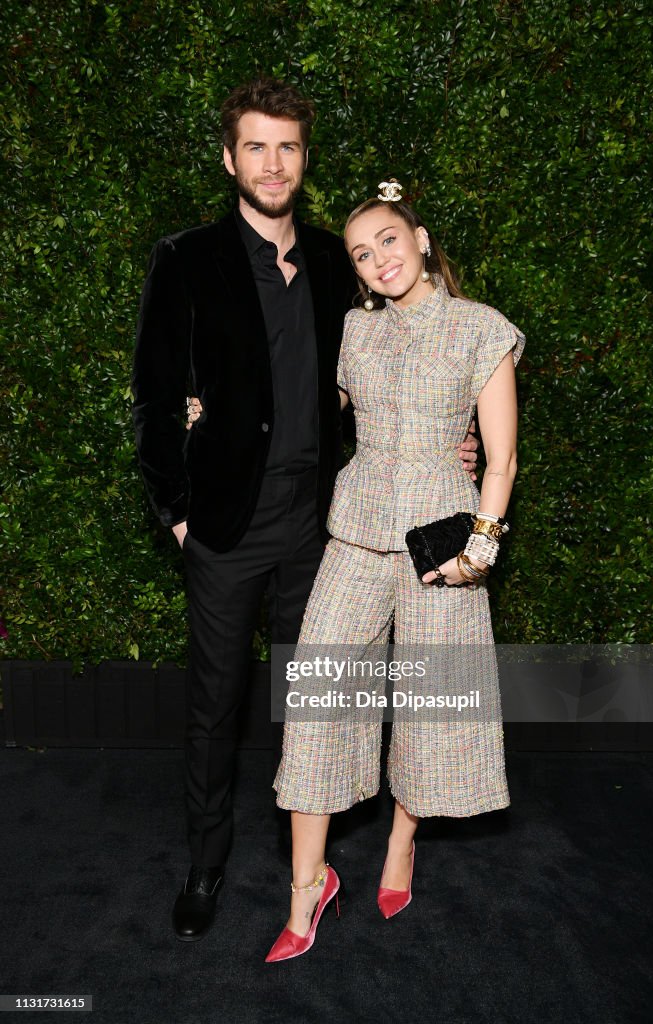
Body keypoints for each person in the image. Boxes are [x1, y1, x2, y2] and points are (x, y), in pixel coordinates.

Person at [132, 80, 479, 942]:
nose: (273, 163)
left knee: (320, 695)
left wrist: (452, 443)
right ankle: (207, 864)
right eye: (255, 147)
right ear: (229, 159)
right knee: (217, 703)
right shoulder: (185, 259)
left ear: (303, 159)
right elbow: (150, 397)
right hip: (224, 523)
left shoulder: (337, 260)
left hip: (327, 523)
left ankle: (319, 861)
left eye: (287, 147)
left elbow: (406, 352)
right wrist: (176, 512)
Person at [263, 181, 525, 962]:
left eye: (387, 240)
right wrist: (213, 410)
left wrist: (480, 549)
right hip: (353, 531)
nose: (378, 259)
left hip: (440, 544)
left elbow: (500, 454)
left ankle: (401, 841)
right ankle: (307, 887)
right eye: (361, 253)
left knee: (428, 705)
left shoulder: (479, 328)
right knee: (315, 700)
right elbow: (306, 409)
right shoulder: (352, 329)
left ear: (416, 236)